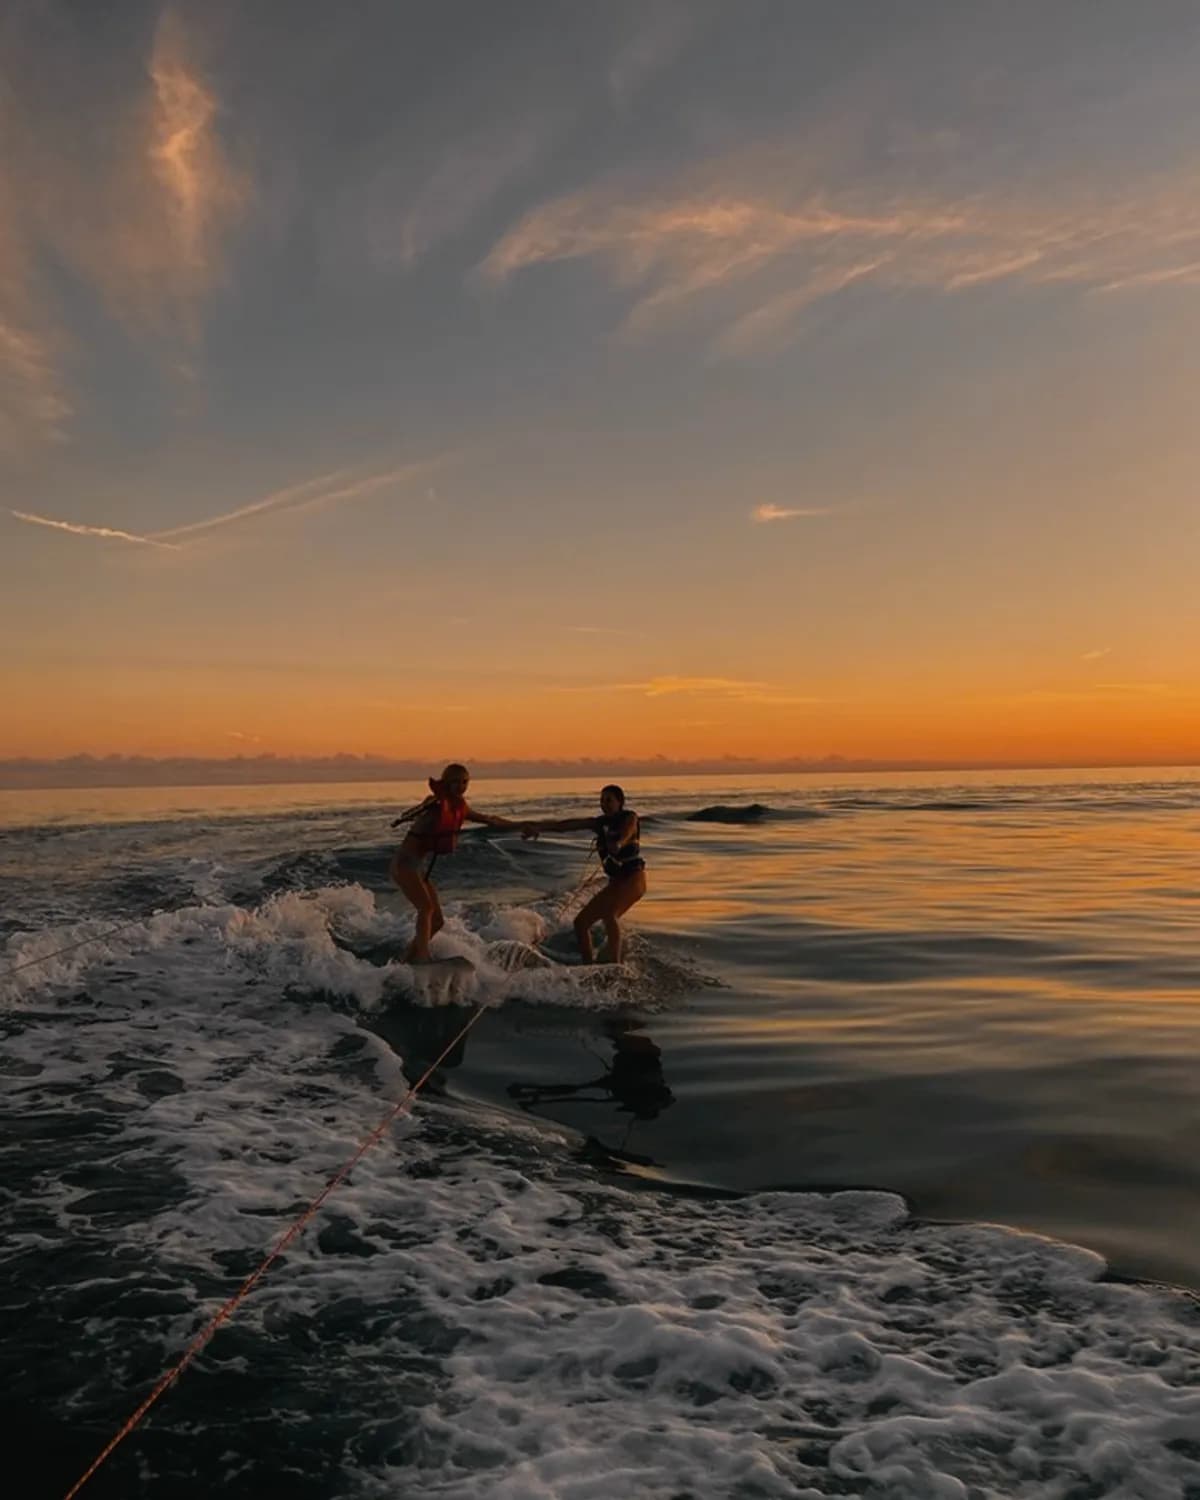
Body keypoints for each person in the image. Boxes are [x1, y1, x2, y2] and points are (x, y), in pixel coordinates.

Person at [390, 763, 528, 963]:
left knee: (437, 921)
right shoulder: (435, 802)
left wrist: (520, 825)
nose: (460, 786)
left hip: (419, 868)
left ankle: (407, 959)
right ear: (446, 783)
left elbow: (491, 820)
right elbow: (419, 809)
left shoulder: (460, 808)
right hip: (404, 864)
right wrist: (412, 813)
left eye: (464, 782)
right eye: (455, 782)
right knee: (426, 909)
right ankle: (422, 957)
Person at [523, 784, 646, 963]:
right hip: (616, 882)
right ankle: (589, 965)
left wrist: (619, 843)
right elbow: (565, 826)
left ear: (620, 803)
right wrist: (538, 828)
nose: (604, 804)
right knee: (580, 923)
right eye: (602, 800)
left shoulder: (629, 817)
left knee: (610, 915)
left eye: (609, 800)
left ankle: (616, 965)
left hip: (634, 879)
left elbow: (628, 831)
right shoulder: (599, 823)